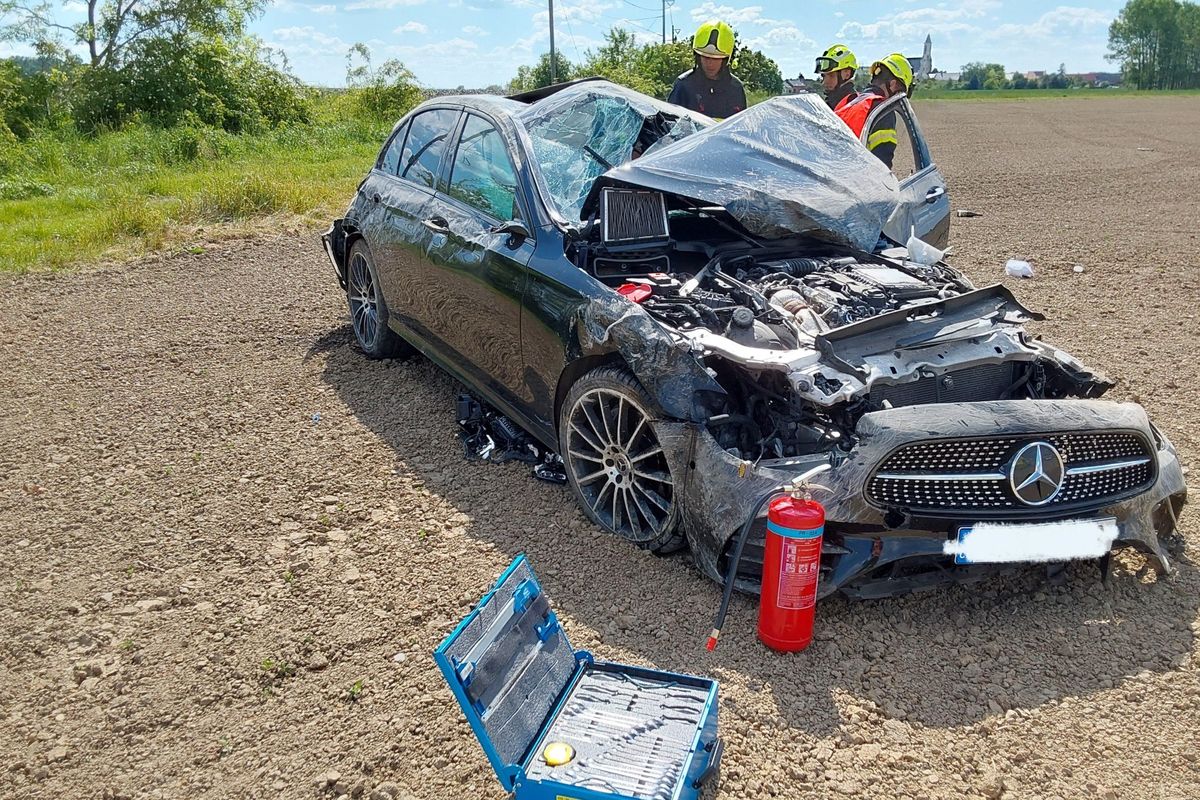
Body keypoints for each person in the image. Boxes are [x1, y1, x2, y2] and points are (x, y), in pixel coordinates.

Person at [834, 53, 914, 169]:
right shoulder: (882, 112)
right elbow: (881, 166)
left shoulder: (847, 103)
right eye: (900, 91)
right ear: (893, 84)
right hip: (857, 182)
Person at [668, 20, 747, 120]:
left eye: (716, 58)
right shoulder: (684, 85)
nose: (710, 63)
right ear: (697, 56)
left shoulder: (736, 89)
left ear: (725, 59)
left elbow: (742, 129)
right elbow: (668, 125)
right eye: (705, 57)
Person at [814, 44, 858, 110]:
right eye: (823, 76)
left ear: (847, 74)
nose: (824, 82)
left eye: (831, 75)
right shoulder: (829, 104)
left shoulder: (854, 106)